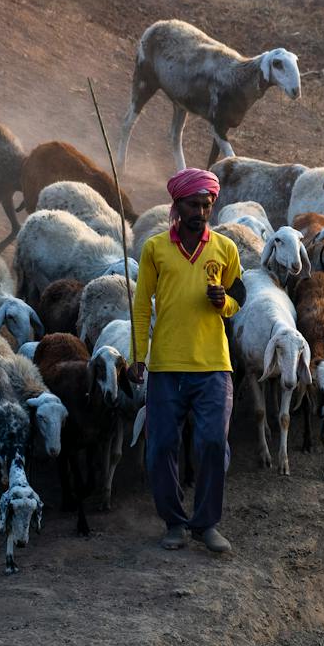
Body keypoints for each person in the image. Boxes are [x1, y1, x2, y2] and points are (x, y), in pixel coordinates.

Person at [130, 167, 246, 553]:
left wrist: (223, 302)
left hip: (214, 364)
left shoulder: (225, 249)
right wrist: (137, 357)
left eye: (207, 204)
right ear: (177, 205)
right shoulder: (155, 249)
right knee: (161, 445)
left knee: (213, 442)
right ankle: (174, 523)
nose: (201, 211)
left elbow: (238, 297)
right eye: (193, 204)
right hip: (165, 365)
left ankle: (206, 524)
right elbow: (141, 306)